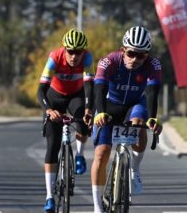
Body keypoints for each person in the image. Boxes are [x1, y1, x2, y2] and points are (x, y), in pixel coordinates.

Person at [90, 26, 163, 213]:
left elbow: (153, 92)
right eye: (131, 53)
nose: (135, 59)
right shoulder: (109, 61)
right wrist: (99, 112)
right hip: (110, 105)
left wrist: (153, 118)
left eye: (141, 56)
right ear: (123, 50)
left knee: (140, 123)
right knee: (101, 154)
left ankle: (134, 170)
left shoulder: (153, 65)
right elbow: (99, 88)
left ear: (147, 55)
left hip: (135, 104)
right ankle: (98, 208)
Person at [38, 29, 94, 213]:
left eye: (78, 52)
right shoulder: (54, 57)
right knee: (52, 146)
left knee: (83, 121)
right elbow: (41, 90)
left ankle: (79, 154)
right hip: (54, 97)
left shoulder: (87, 59)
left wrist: (88, 110)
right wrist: (48, 110)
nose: (74, 56)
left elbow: (89, 87)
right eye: (70, 51)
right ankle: (49, 197)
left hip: (76, 95)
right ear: (64, 49)